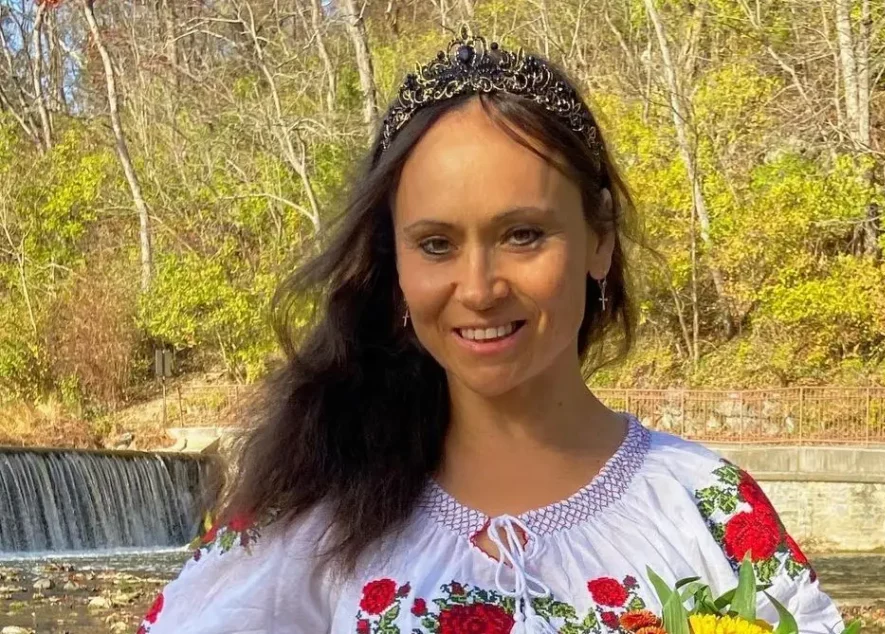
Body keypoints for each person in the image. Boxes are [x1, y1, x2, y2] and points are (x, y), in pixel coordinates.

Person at [137, 31, 844, 634]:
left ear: (599, 238)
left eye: (523, 234)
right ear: (395, 267)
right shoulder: (314, 523)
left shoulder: (709, 507)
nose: (478, 289)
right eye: (436, 244)